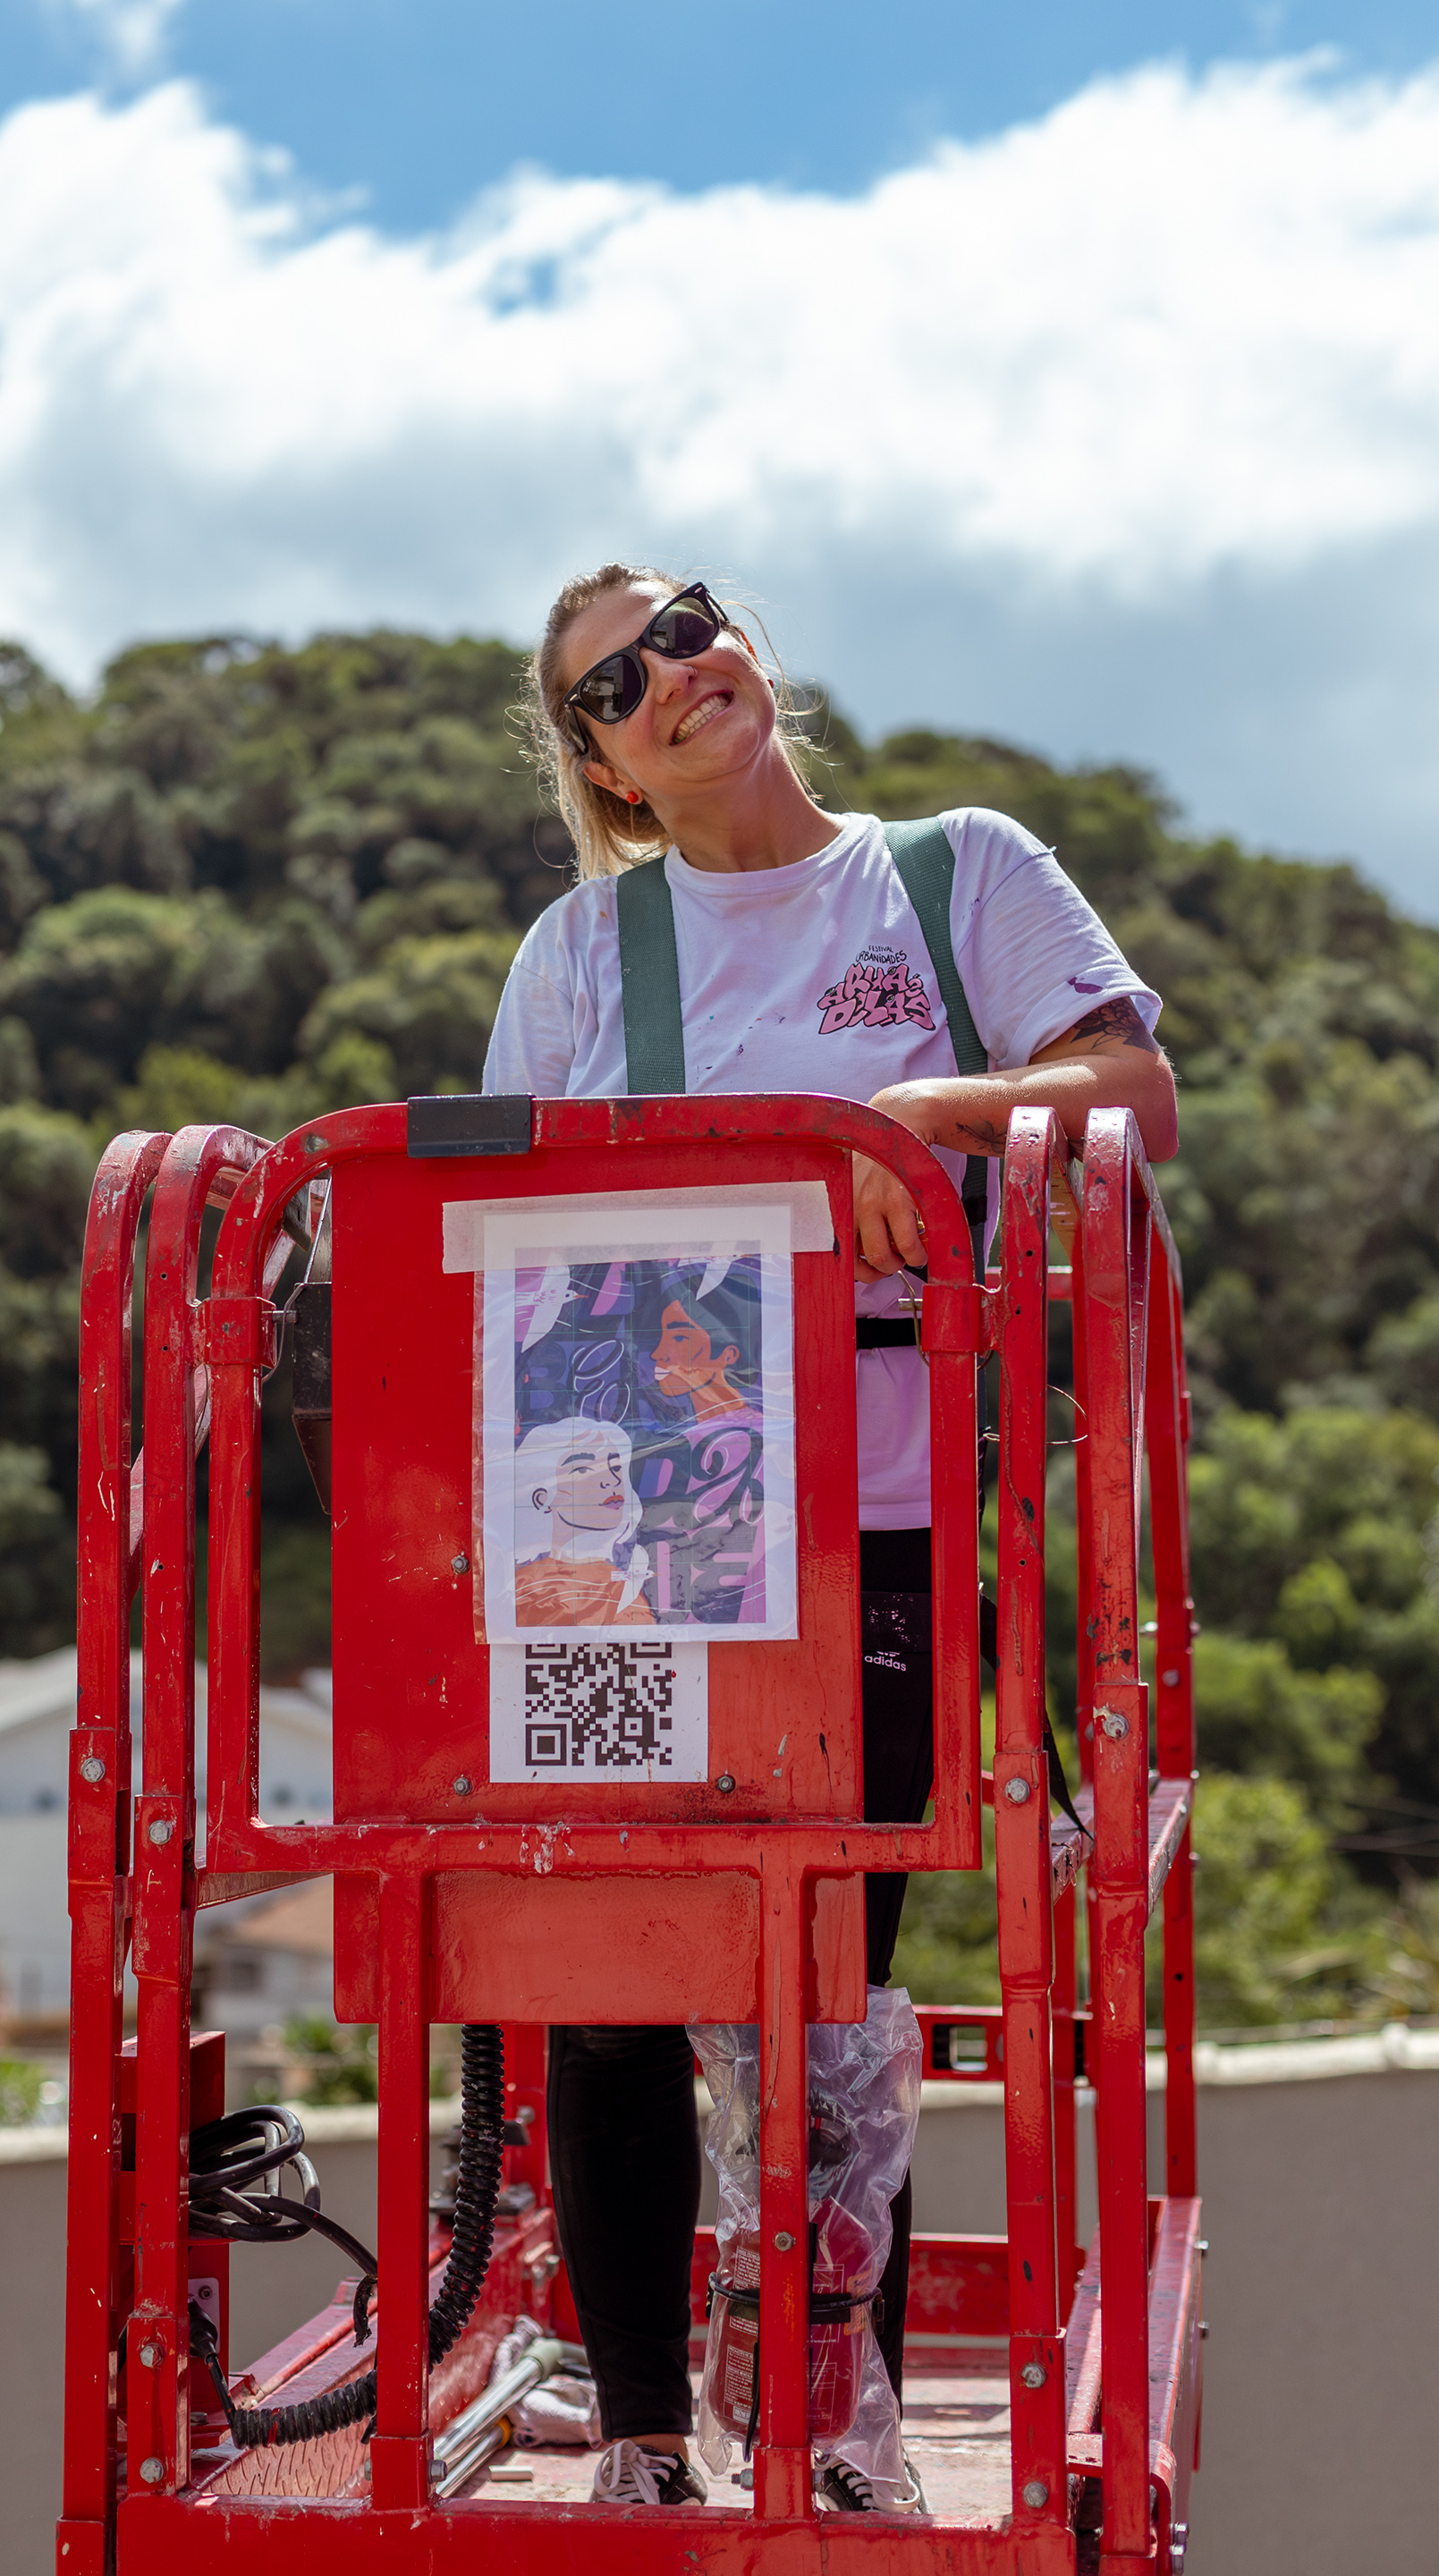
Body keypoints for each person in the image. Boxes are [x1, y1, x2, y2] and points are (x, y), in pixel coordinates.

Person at [481, 563, 1178, 2512]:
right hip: (623, 1551)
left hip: (870, 1523)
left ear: (744, 649)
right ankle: (647, 2436)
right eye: (615, 682)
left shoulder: (955, 878)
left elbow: (1132, 1093)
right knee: (615, 1984)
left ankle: (830, 2428)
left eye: (685, 624)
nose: (671, 672)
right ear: (606, 768)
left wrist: (932, 1116)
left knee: (824, 1984)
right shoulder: (580, 958)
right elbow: (506, 1247)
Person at [513, 1414, 653, 1627]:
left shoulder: (625, 1586)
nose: (611, 1481)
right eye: (583, 1469)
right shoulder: (523, 1585)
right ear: (542, 1497)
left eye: (615, 1467)